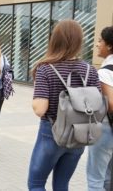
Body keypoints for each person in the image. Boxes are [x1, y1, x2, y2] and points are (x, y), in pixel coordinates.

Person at [28, 20, 100, 190]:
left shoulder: (45, 69)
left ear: (55, 40)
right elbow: (97, 105)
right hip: (80, 135)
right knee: (62, 185)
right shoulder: (90, 70)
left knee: (36, 184)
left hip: (51, 133)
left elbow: (40, 109)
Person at [87, 26, 113, 190]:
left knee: (95, 179)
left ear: (109, 45)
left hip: (106, 128)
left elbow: (110, 104)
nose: (97, 44)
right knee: (108, 178)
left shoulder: (105, 72)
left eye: (100, 41)